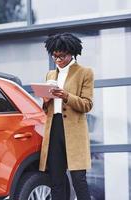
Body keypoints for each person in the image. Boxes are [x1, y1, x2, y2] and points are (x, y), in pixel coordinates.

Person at [39, 33, 94, 200]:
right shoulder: (50, 75)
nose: (58, 59)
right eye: (55, 56)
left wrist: (66, 96)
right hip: (54, 129)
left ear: (72, 53)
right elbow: (46, 108)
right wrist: (46, 99)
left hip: (74, 131)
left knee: (79, 180)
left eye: (61, 56)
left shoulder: (85, 72)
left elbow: (87, 104)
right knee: (56, 180)